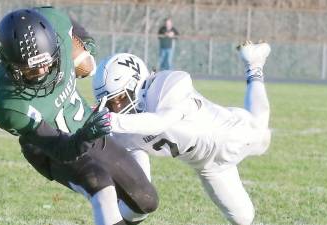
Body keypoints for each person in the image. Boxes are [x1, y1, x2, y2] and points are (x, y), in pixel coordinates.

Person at [0, 7, 158, 225]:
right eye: (30, 71)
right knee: (101, 185)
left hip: (85, 126)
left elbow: (65, 21)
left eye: (46, 64)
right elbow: (62, 149)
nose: (41, 74)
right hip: (51, 149)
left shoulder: (54, 25)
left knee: (146, 200)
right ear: (9, 64)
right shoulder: (10, 105)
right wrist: (87, 135)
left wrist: (86, 43)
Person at [92, 41, 272, 225]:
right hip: (209, 166)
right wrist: (130, 202)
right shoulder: (124, 129)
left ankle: (254, 64)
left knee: (261, 128)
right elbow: (141, 182)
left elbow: (160, 122)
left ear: (136, 83)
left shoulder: (168, 83)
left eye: (120, 98)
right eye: (110, 103)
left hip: (231, 135)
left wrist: (111, 121)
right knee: (244, 218)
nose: (116, 108)